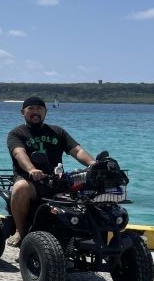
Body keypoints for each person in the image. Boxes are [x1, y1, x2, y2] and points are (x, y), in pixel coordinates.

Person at [6, 96, 94, 246]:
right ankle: (20, 231)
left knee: (91, 190)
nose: (35, 112)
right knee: (20, 188)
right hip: (30, 181)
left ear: (45, 112)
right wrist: (32, 169)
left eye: (39, 109)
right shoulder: (17, 133)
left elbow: (76, 150)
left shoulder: (57, 132)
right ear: (23, 112)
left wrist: (93, 164)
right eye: (31, 109)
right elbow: (19, 153)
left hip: (57, 180)